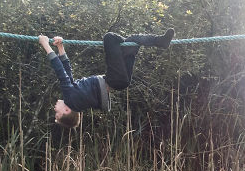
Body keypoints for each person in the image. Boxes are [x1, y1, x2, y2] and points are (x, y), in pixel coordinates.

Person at [39, 28, 174, 128]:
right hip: (115, 79)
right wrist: (46, 44)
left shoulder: (75, 99)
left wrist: (60, 47)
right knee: (109, 38)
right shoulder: (70, 98)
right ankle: (144, 43)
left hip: (120, 81)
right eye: (57, 114)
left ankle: (161, 42)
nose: (55, 109)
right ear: (67, 111)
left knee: (133, 41)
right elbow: (60, 71)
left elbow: (67, 72)